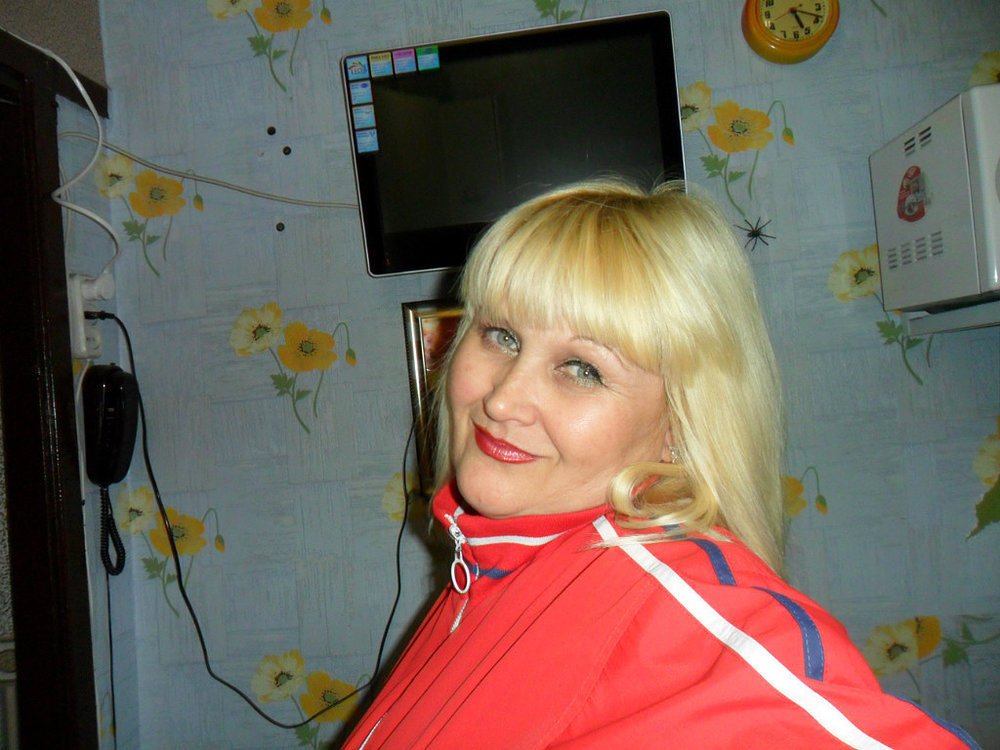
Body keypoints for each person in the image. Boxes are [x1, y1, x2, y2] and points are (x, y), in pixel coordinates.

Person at [342, 180, 979, 749]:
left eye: (582, 369)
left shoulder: (679, 617)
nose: (503, 400)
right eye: (502, 336)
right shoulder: (489, 559)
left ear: (679, 422)